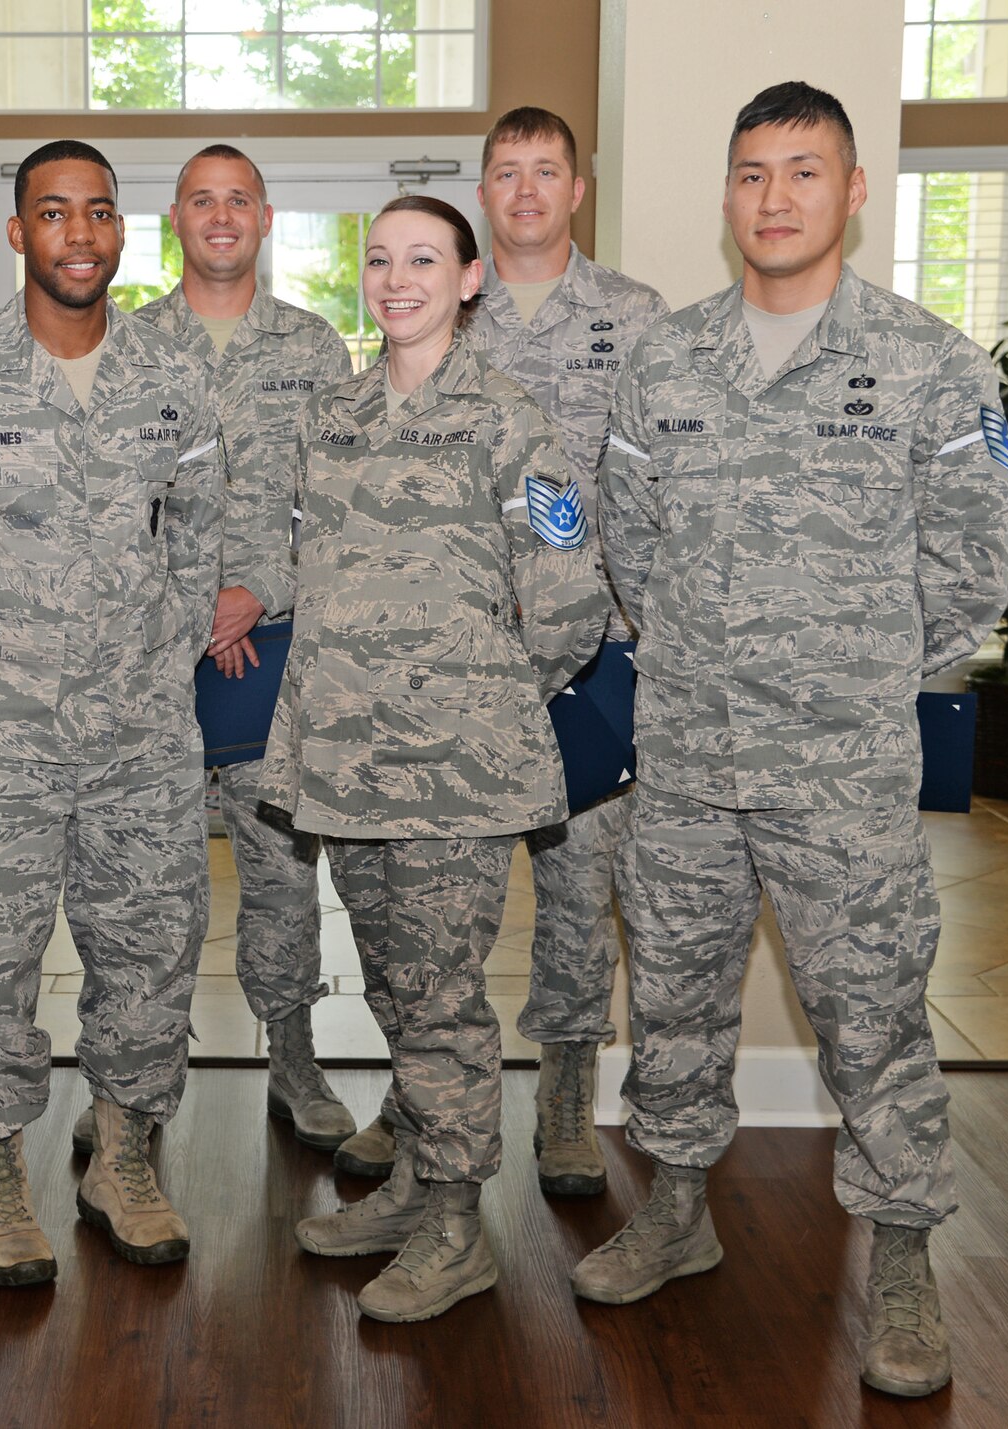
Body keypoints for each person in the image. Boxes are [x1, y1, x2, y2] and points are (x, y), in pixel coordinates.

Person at [584, 83, 1008, 1399]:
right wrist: (717, 657)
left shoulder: (934, 364)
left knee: (874, 1019)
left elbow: (975, 568)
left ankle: (898, 1253)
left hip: (842, 777)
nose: (775, 199)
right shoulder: (665, 361)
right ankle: (673, 1207)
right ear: (730, 196)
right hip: (689, 765)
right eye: (753, 174)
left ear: (853, 191)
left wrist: (848, 666)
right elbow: (629, 542)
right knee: (667, 999)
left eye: (803, 173)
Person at [0, 140, 226, 1286]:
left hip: (139, 743)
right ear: (18, 233)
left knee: (151, 952)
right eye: (52, 213)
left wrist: (163, 668)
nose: (78, 233)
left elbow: (202, 532)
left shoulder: (175, 375)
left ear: (122, 233)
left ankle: (120, 1159)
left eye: (98, 213)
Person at [263, 195, 610, 1323]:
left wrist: (475, 695)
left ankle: (458, 1225)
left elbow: (566, 603)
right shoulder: (331, 413)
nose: (395, 278)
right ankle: (415, 1179)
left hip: (456, 772)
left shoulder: (508, 418)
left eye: (422, 259)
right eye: (377, 259)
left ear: (469, 280)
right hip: (346, 763)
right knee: (393, 984)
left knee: (445, 997)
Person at [332, 108, 670, 1196]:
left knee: (577, 893)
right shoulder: (430, 306)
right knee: (433, 904)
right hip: (441, 675)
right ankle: (416, 1095)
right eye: (503, 172)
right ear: (480, 196)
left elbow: (653, 490)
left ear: (578, 188)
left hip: (586, 654)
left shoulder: (633, 318)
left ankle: (565, 1097)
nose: (524, 189)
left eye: (544, 172)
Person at [63, 144, 355, 1158]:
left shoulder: (315, 350)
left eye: (239, 199)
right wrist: (193, 607)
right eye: (201, 200)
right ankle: (130, 1095)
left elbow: (337, 511)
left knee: (280, 874)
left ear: (265, 219)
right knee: (142, 890)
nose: (221, 215)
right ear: (172, 220)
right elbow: (101, 515)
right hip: (149, 670)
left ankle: (295, 1061)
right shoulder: (125, 345)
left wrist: (250, 595)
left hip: (273, 660)